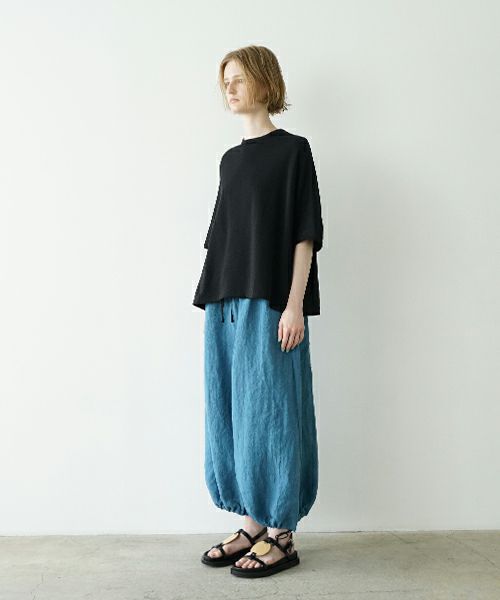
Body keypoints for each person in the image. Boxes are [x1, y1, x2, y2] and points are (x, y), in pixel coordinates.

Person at [193, 45, 324, 578]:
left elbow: (304, 234)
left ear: (266, 82)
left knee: (273, 411)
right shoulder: (230, 160)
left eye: (239, 79)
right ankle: (251, 524)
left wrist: (294, 305)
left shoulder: (293, 151)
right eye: (225, 80)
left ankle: (281, 534)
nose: (229, 88)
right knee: (232, 411)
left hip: (271, 302)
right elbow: (225, 238)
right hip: (225, 302)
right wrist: (216, 301)